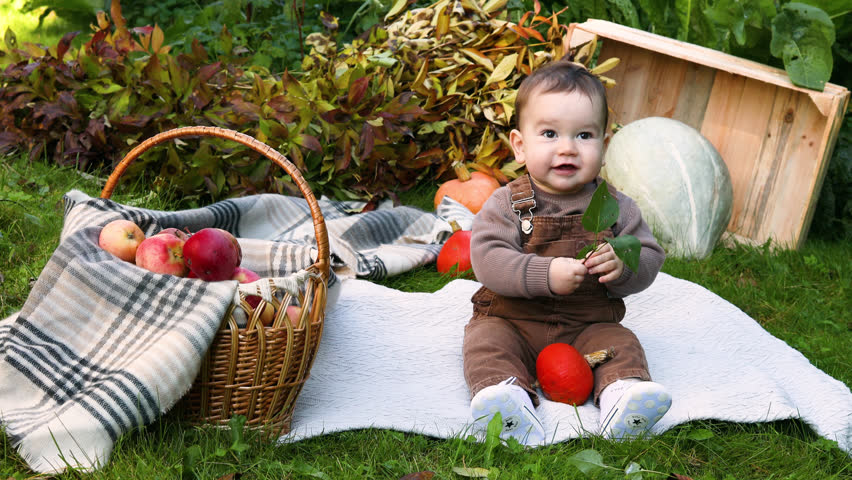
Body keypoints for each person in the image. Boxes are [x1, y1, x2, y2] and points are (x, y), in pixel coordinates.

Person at [463, 59, 670, 445]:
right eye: (549, 133)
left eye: (584, 135)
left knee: (620, 343)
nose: (567, 148)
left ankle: (623, 396)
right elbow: (487, 260)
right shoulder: (508, 203)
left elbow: (650, 254)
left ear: (604, 147)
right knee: (486, 341)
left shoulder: (615, 208)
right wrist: (544, 273)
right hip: (515, 321)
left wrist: (623, 263)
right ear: (520, 146)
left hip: (585, 328)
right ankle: (505, 399)